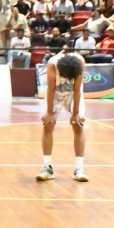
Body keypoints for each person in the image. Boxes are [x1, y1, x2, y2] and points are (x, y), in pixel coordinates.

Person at [37, 52, 88, 183]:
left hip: (72, 93)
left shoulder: (80, 63)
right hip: (55, 93)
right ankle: (47, 168)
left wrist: (75, 114)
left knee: (78, 125)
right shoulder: (52, 64)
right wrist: (49, 113)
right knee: (48, 125)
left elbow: (77, 90)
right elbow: (51, 89)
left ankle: (79, 169)